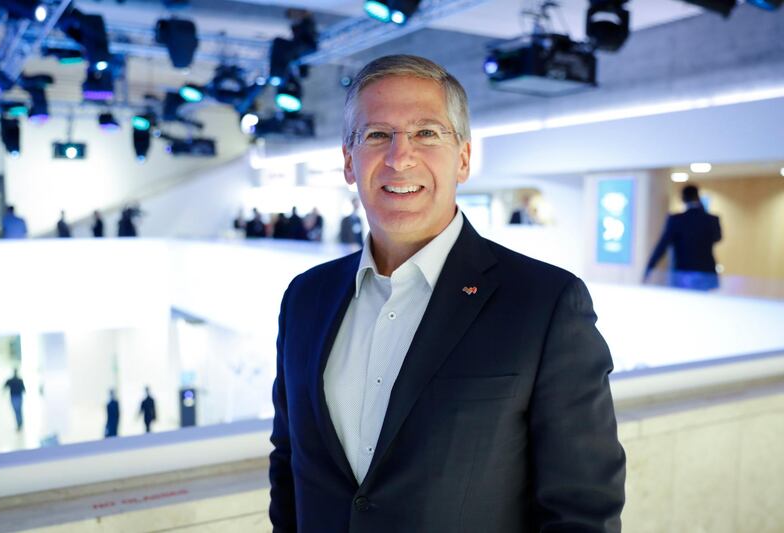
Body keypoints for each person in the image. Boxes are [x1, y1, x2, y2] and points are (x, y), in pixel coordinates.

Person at [269, 55, 625, 532]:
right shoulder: (305, 299)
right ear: (348, 162)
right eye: (376, 135)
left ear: (462, 158)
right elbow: (290, 462)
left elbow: (582, 512)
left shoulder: (545, 305)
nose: (400, 157)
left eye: (426, 133)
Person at [644, 184, 722, 291]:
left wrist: (649, 268)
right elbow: (717, 238)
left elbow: (662, 245)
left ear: (683, 198)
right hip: (706, 272)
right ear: (698, 197)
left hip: (683, 272)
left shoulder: (676, 220)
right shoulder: (711, 220)